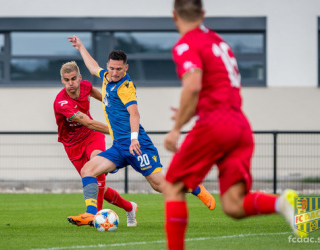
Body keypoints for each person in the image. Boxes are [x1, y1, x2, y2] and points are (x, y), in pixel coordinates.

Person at [163, 0, 307, 249]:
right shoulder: (220, 43)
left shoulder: (186, 43)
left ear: (174, 16)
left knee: (172, 185)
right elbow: (216, 87)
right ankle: (284, 202)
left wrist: (176, 129)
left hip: (215, 123)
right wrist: (191, 110)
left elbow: (194, 85)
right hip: (239, 125)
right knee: (233, 205)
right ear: (203, 14)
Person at [66, 35, 216, 227]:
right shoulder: (106, 76)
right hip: (120, 146)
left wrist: (134, 139)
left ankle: (193, 186)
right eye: (111, 68)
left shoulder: (125, 87)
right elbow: (93, 67)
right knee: (88, 169)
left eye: (119, 69)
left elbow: (134, 114)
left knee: (160, 186)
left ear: (126, 68)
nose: (114, 72)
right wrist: (80, 47)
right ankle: (89, 213)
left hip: (138, 145)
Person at [54, 61, 137, 227]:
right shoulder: (61, 102)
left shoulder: (86, 86)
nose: (71, 83)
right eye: (67, 80)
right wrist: (117, 131)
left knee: (96, 168)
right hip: (72, 144)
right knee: (98, 187)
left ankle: (93, 214)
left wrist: (121, 110)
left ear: (80, 78)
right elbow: (88, 122)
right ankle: (129, 207)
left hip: (92, 136)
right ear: (62, 81)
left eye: (73, 78)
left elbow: (106, 100)